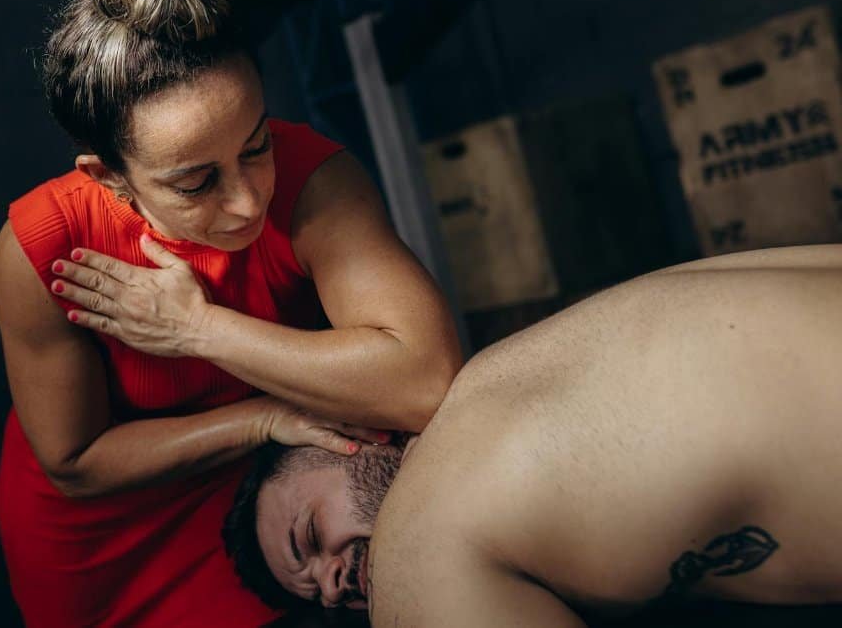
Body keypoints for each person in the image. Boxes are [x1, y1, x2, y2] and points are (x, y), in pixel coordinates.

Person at [0, 0, 463, 625]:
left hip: (266, 501)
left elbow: (426, 379)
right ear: (109, 177)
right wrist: (263, 417)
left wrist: (198, 330)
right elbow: (76, 460)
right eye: (196, 182)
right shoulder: (47, 247)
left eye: (257, 143)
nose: (246, 201)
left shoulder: (313, 182)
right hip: (103, 535)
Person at [225, 245, 842, 626]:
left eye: (309, 536)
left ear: (349, 429)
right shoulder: (509, 373)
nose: (333, 584)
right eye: (320, 598)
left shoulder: (411, 553)